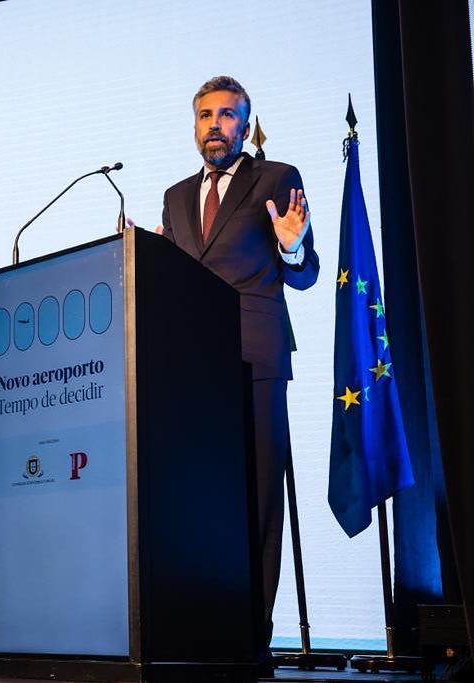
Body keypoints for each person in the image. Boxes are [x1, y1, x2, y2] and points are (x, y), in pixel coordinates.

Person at [157, 75, 319, 669]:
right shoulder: (175, 197)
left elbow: (304, 275)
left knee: (256, 503)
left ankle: (251, 638)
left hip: (256, 357)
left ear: (245, 126)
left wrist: (292, 246)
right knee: (196, 504)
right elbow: (176, 276)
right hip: (190, 372)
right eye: (205, 115)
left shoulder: (275, 179)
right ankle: (199, 630)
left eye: (227, 116)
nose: (214, 126)